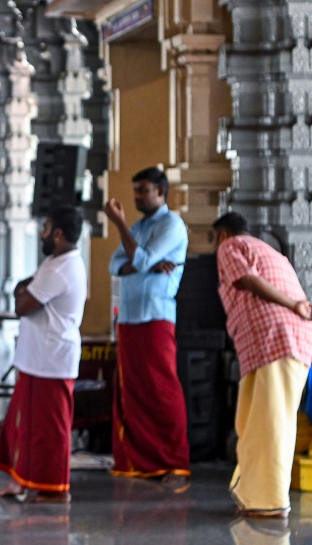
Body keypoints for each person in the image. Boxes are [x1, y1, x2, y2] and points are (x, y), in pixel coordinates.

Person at [213, 212, 312, 517]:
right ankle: (253, 494)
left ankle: (270, 503)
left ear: (223, 234)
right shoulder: (273, 253)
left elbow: (247, 280)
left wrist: (291, 304)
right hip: (284, 344)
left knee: (270, 424)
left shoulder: (231, 246)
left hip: (274, 341)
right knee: (252, 421)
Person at [0, 206, 87, 503]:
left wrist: (24, 290)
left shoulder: (63, 267)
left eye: (46, 228)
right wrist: (24, 289)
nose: (42, 233)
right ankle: (20, 481)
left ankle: (56, 489)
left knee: (51, 430)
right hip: (36, 359)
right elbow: (24, 290)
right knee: (24, 425)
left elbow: (22, 304)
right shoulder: (54, 261)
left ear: (58, 234)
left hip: (53, 359)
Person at [104, 167, 190, 487]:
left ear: (161, 191)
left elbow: (136, 262)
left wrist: (120, 225)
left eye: (143, 190)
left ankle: (174, 461)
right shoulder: (139, 229)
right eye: (135, 190)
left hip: (156, 317)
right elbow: (117, 265)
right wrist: (148, 263)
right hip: (129, 318)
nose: (137, 196)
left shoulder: (173, 225)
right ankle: (139, 461)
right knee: (133, 391)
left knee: (161, 389)